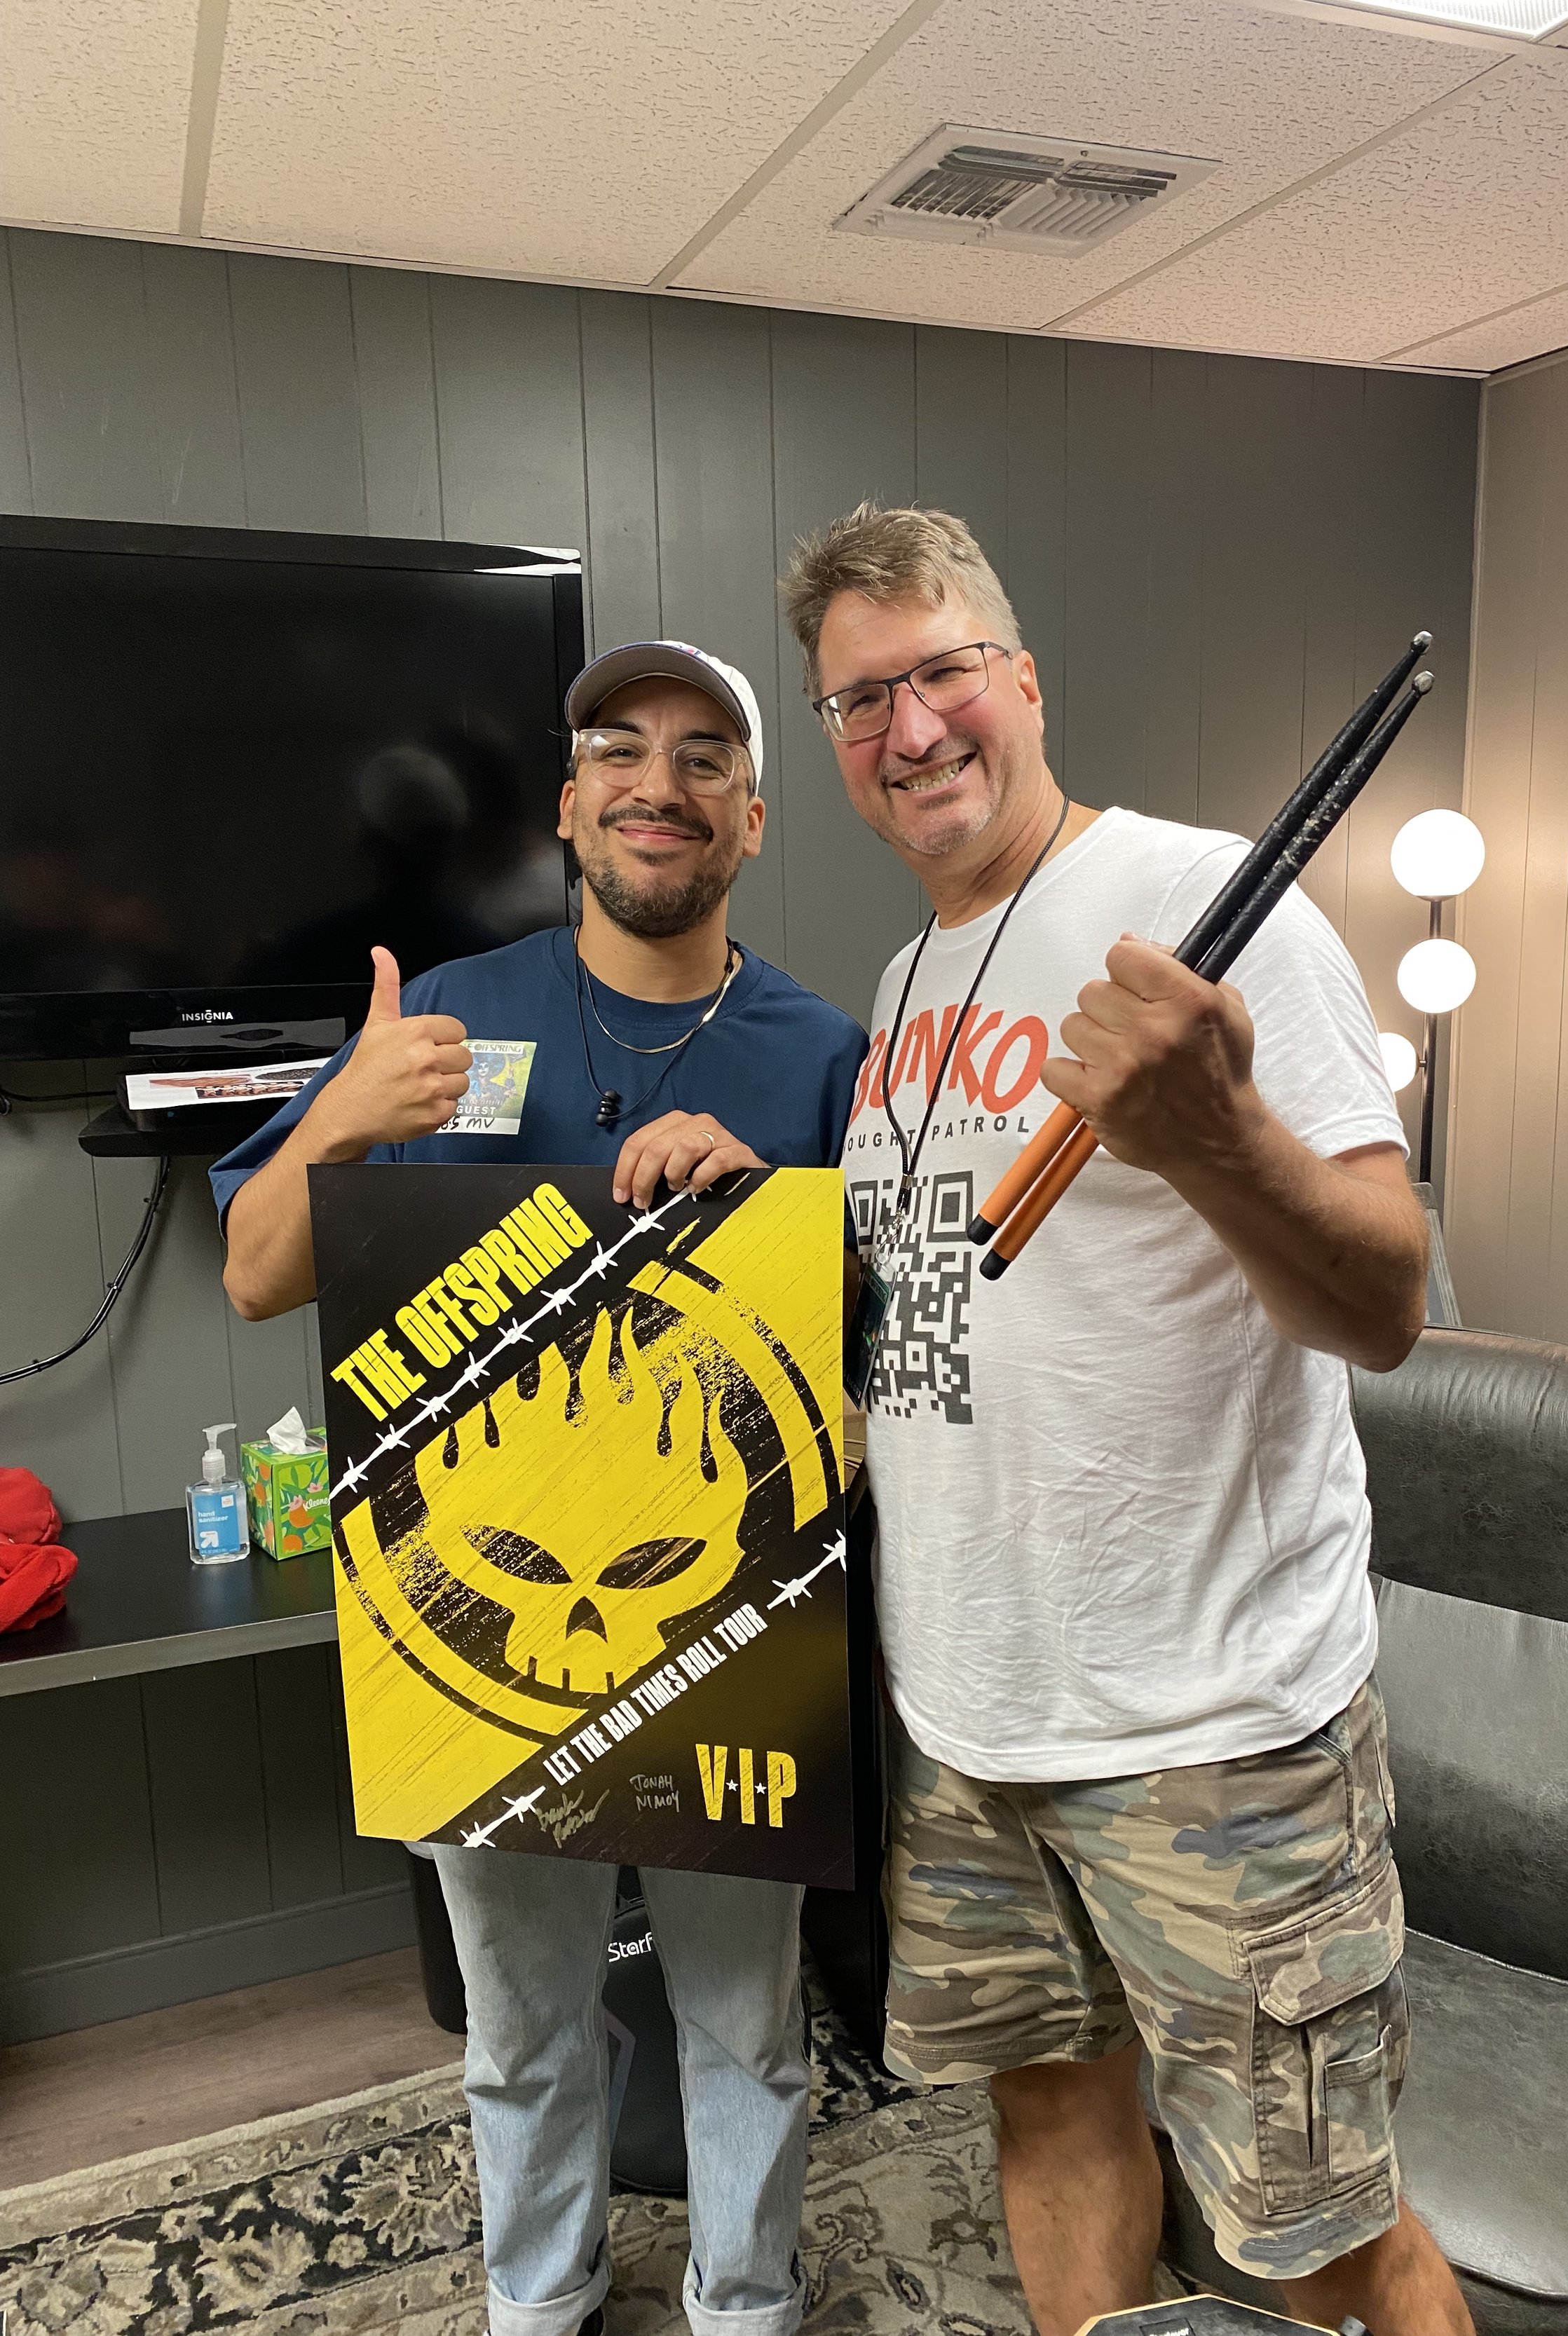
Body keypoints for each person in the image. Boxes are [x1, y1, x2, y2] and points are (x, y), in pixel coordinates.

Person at [780, 505, 1475, 2336]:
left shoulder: (1196, 900)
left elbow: (1386, 1296)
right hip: (969, 1715)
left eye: (940, 670)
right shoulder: (906, 981)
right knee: (1056, 2119)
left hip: (1208, 1728)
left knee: (1315, 2228)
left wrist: (1218, 1140)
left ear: (1020, 677)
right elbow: (951, 1326)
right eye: (861, 697)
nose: (911, 724)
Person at [212, 639, 867, 2336]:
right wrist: (337, 1120)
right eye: (620, 750)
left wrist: (760, 1219)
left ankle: (744, 2301)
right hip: (472, 1640)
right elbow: (254, 1269)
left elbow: (867, 1367)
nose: (661, 782)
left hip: (719, 1625)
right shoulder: (443, 1014)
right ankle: (539, 2299)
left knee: (747, 2021)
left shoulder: (823, 1053)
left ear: (753, 810)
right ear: (570, 803)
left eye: (705, 754)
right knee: (517, 2026)